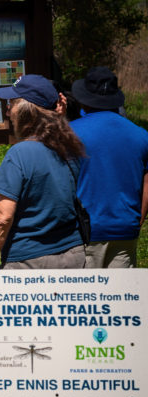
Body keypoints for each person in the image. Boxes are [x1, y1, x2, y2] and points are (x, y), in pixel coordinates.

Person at [0, 74, 86, 397]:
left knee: (21, 354)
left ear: (26, 110)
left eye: (12, 102)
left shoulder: (20, 154)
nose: (8, 108)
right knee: (65, 352)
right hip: (71, 256)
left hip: (29, 262)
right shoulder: (70, 149)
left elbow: (2, 216)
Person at [70, 66, 148, 268]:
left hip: (84, 230)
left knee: (87, 296)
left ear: (84, 99)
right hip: (126, 228)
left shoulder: (70, 133)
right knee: (121, 296)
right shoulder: (141, 134)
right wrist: (137, 220)